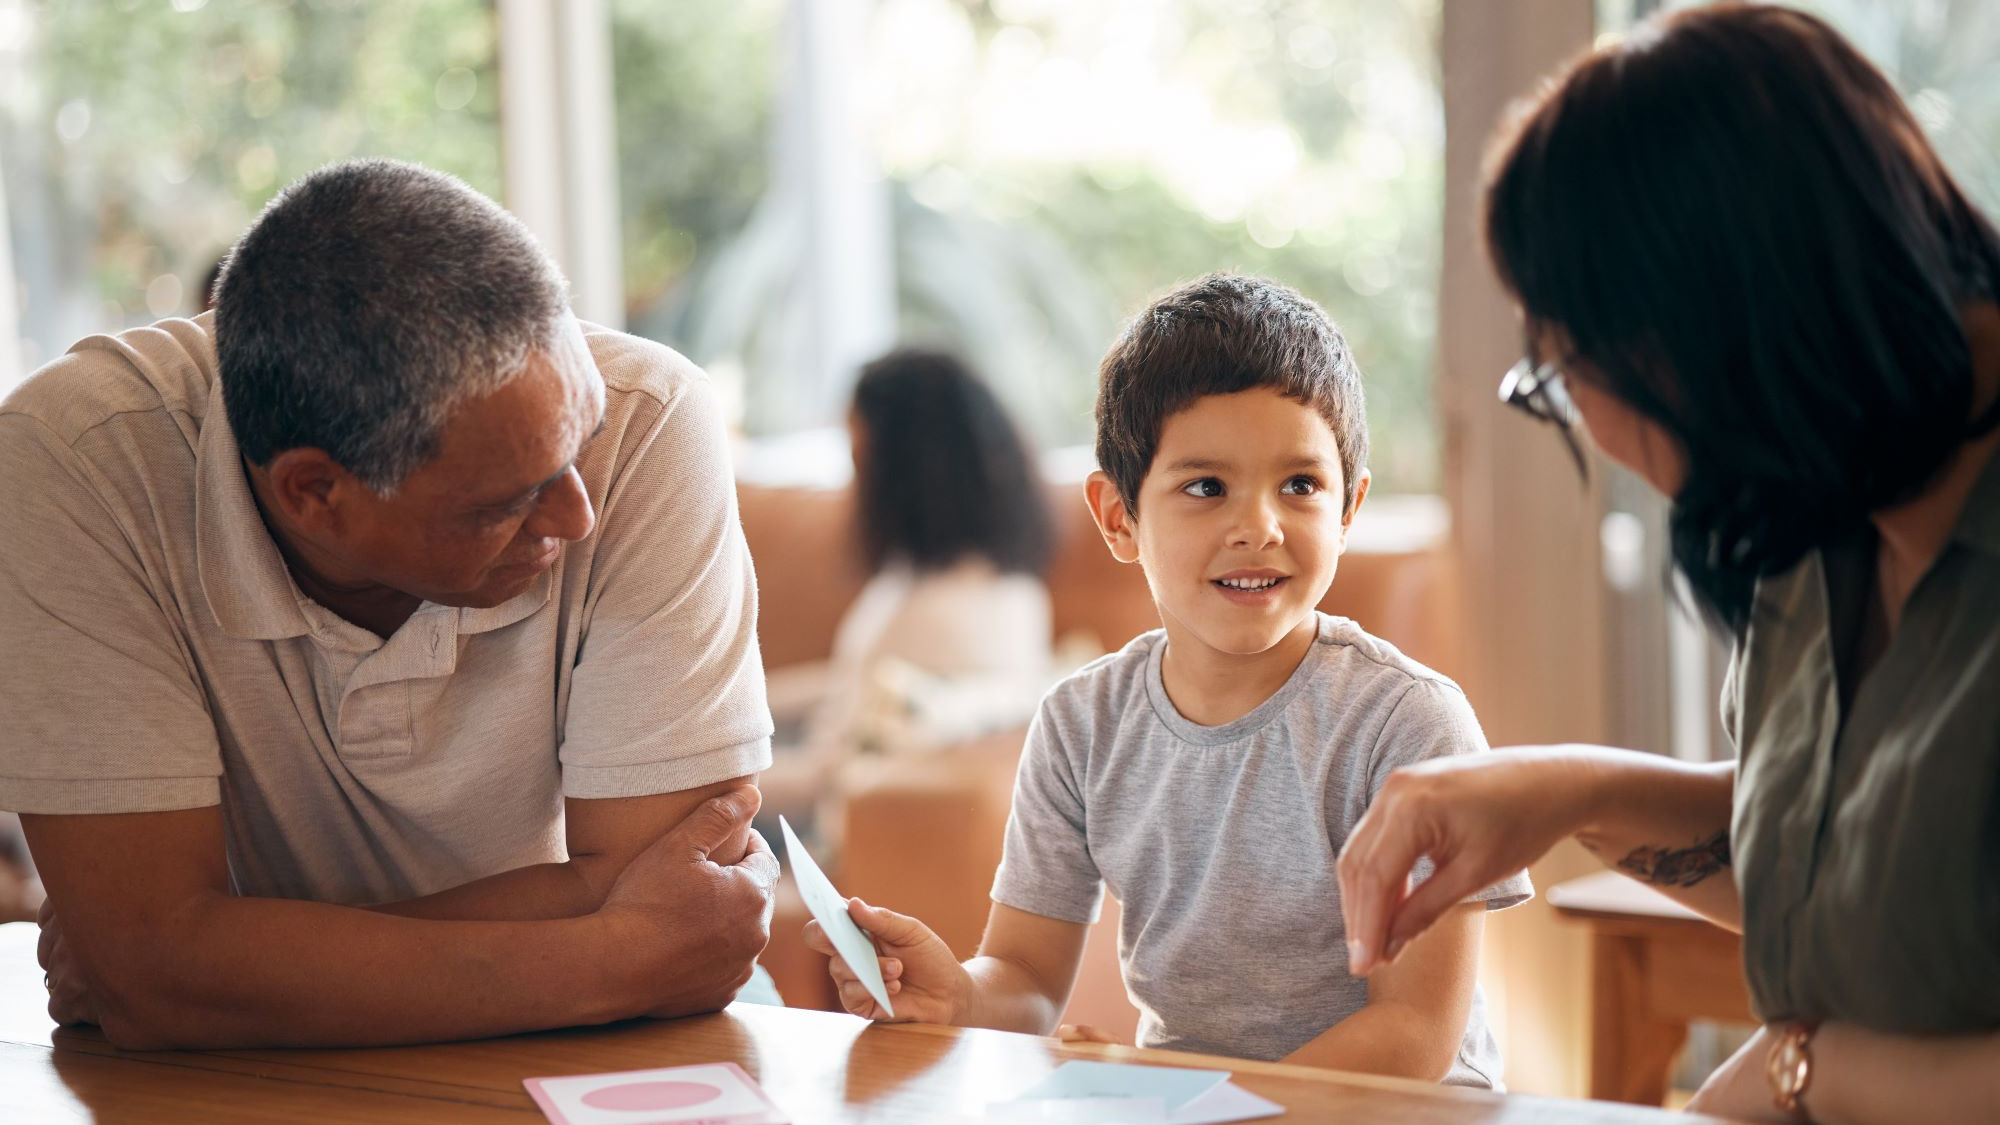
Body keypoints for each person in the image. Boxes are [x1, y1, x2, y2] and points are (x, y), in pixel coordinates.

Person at [1336, 6, 2000, 1121]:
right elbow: (1885, 864)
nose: (1594, 429)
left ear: (1708, 330)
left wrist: (1805, 1074)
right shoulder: (1823, 490)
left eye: (1564, 368)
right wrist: (1564, 793)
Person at [0, 159, 779, 1049]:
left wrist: (225, 958)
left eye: (581, 445)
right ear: (314, 493)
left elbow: (682, 891)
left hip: (619, 1046)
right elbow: (154, 975)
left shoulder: (650, 419)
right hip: (334, 1071)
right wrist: (619, 956)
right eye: (505, 500)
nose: (580, 513)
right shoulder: (76, 461)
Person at [805, 274, 1532, 1085]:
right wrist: (958, 996)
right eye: (1206, 487)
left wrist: (1179, 1105)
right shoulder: (1082, 722)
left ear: (1349, 507)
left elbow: (1412, 1035)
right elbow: (1025, 978)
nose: (1258, 526)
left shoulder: (1410, 723)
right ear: (1119, 517)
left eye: (1300, 484)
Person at [760, 348, 1055, 837]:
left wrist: (690, 782)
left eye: (857, 456)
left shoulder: (928, 615)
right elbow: (858, 680)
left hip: (816, 824)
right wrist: (732, 705)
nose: (853, 479)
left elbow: (822, 779)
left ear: (902, 469)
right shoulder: (1007, 587)